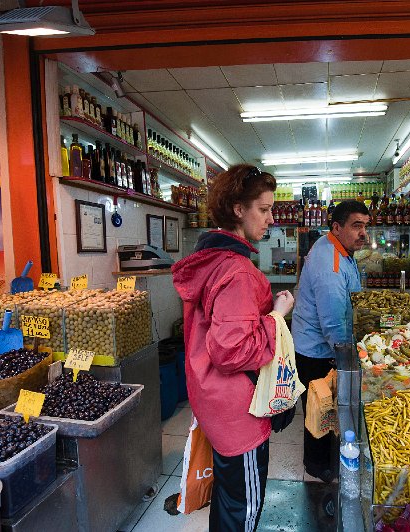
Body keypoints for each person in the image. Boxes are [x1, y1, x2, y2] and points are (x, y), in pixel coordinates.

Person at [172, 164, 294, 532]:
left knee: (228, 500)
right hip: (239, 411)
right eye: (264, 209)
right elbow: (232, 352)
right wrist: (276, 314)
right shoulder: (238, 271)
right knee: (244, 506)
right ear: (239, 209)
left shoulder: (209, 260)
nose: (271, 218)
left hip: (212, 399)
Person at [291, 199, 370, 482]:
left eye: (365, 226)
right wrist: (351, 358)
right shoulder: (332, 265)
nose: (363, 233)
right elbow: (334, 323)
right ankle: (320, 468)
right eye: (356, 226)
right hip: (317, 352)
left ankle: (322, 462)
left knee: (323, 411)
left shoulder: (338, 249)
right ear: (336, 227)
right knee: (320, 412)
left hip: (318, 346)